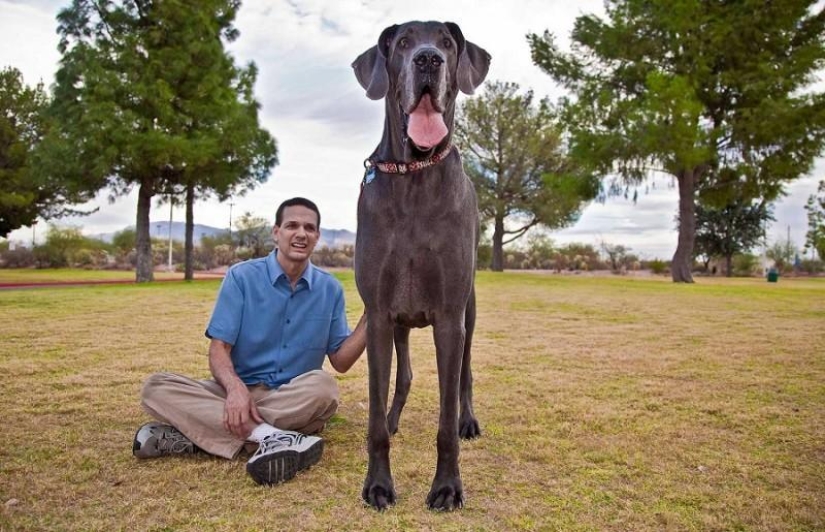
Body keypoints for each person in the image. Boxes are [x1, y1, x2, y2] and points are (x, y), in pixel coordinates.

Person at [132, 197, 367, 486]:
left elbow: (340, 362)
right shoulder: (241, 277)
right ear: (276, 232)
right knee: (156, 387)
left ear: (317, 236)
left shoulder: (330, 289)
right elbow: (219, 348)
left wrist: (373, 315)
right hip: (234, 393)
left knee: (325, 388)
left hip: (291, 398)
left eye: (309, 227)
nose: (301, 233)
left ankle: (196, 436)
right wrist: (234, 390)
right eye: (292, 225)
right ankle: (271, 436)